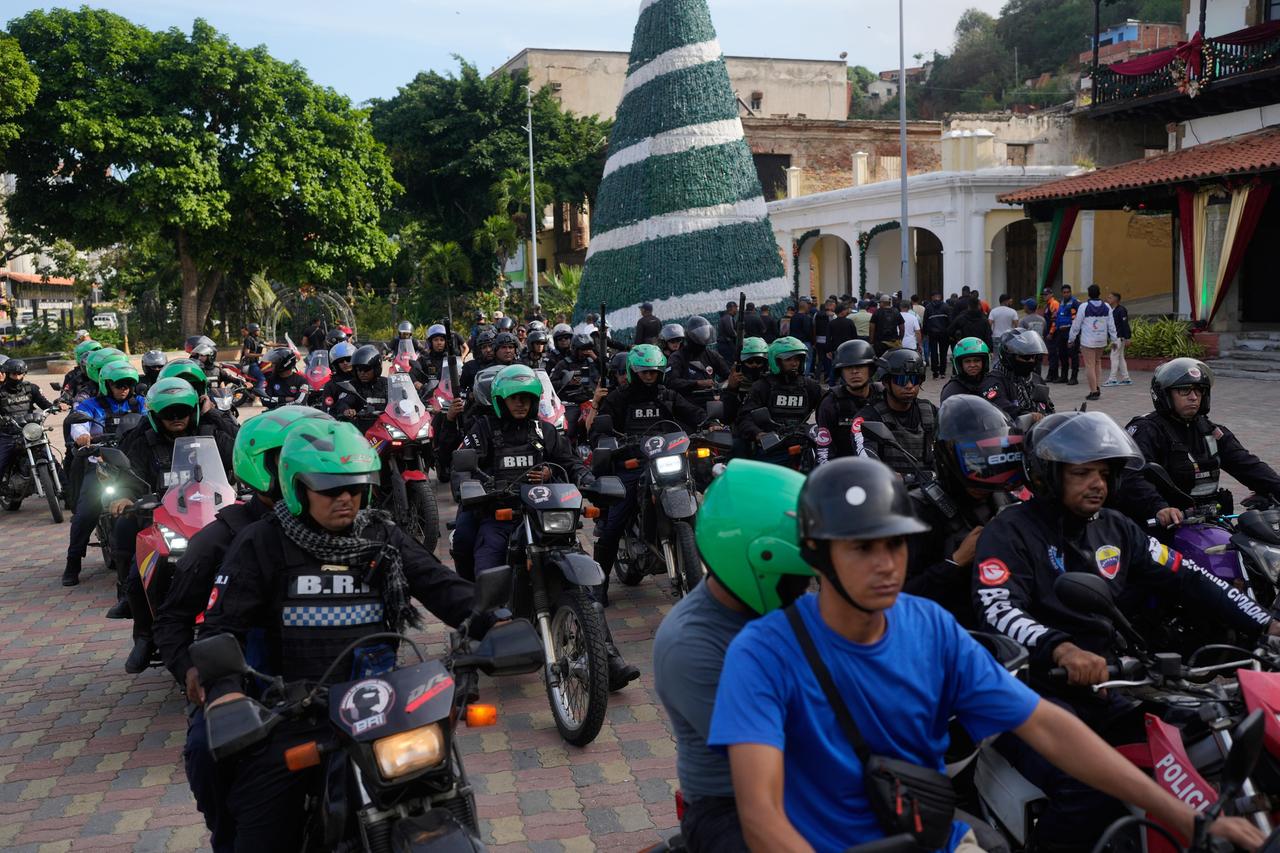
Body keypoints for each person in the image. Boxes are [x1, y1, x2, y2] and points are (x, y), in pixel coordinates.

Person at [708, 455, 1263, 853]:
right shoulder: (762, 654)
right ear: (816, 556)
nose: (885, 564)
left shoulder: (929, 628)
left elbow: (1047, 727)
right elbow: (761, 815)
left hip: (934, 837)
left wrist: (1189, 819)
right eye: (860, 548)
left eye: (895, 543)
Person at [972, 411, 1277, 847]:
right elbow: (997, 609)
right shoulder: (1010, 532)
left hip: (1108, 687)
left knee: (1205, 737)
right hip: (1029, 696)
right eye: (1081, 473)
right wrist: (1062, 650)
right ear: (1047, 474)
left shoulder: (1116, 528)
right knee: (1088, 789)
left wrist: (1266, 624)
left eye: (1104, 473)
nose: (1097, 483)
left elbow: (1189, 575)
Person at [196, 418, 490, 850]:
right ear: (297, 488)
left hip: (383, 706)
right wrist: (224, 689)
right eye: (330, 489)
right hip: (296, 711)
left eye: (354, 488)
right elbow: (221, 626)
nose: (346, 499)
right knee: (262, 831)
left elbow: (439, 585)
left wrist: (494, 620)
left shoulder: (380, 535)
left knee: (443, 788)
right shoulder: (263, 542)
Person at [154, 405, 331, 852]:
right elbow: (173, 620)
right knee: (205, 751)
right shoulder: (218, 538)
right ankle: (227, 835)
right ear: (260, 465)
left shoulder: (341, 526)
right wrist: (192, 674)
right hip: (248, 686)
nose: (304, 468)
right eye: (288, 459)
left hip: (332, 680)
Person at [653, 460, 813, 853]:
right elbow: (788, 747)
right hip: (731, 807)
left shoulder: (780, 609)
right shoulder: (690, 645)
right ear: (757, 562)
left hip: (807, 778)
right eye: (796, 577)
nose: (806, 590)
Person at [451, 364, 640, 690]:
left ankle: (606, 656)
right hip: (501, 517)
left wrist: (583, 480)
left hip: (544, 518)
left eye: (526, 397)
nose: (521, 403)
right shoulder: (482, 428)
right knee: (487, 571)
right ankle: (475, 640)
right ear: (500, 400)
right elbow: (463, 469)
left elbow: (569, 463)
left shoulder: (545, 431)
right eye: (514, 398)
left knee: (585, 579)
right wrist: (475, 487)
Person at [116, 378, 235, 672]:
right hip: (165, 521)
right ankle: (145, 636)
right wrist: (124, 497)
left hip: (215, 518)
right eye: (168, 413)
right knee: (136, 575)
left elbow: (244, 457)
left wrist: (214, 415)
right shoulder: (143, 443)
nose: (176, 417)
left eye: (182, 410)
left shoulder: (212, 434)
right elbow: (130, 478)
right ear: (156, 416)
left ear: (193, 410)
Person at [592, 346, 705, 603]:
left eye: (654, 372)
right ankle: (599, 583)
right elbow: (600, 430)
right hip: (634, 463)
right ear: (633, 372)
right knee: (614, 523)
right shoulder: (619, 398)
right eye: (644, 372)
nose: (649, 376)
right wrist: (606, 441)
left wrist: (709, 422)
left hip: (666, 460)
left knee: (699, 491)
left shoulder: (667, 395)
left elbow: (693, 412)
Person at [906, 395, 1025, 625]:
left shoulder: (1004, 500)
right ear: (947, 458)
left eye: (993, 459)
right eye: (974, 462)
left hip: (1005, 625)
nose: (985, 474)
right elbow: (898, 599)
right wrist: (955, 562)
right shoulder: (918, 511)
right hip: (945, 633)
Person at [1118, 359, 1280, 527]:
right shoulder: (1146, 430)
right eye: (1184, 390)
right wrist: (1159, 508)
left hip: (1207, 523)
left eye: (1198, 390)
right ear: (1164, 394)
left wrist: (1276, 486)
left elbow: (1247, 465)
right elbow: (1130, 477)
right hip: (1162, 526)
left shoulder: (1210, 431)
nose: (1194, 397)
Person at [64, 361, 147, 588]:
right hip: (101, 465)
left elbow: (152, 417)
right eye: (119, 385)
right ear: (106, 384)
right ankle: (73, 561)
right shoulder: (91, 405)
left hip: (134, 464)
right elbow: (78, 421)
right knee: (86, 511)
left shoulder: (139, 403)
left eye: (128, 385)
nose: (124, 389)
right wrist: (82, 436)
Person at [733, 337, 823, 465]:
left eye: (797, 359)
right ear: (776, 361)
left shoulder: (811, 386)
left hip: (804, 444)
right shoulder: (762, 386)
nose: (794, 363)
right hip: (773, 447)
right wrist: (759, 434)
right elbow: (745, 417)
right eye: (788, 359)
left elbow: (827, 409)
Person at [854, 349, 937, 479]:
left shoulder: (929, 410)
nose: (909, 386)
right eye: (901, 380)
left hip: (931, 487)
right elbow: (866, 458)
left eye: (914, 380)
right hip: (889, 491)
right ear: (886, 382)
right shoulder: (868, 418)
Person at [814, 340, 881, 465]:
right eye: (848, 367)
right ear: (841, 372)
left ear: (870, 369)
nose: (854, 372)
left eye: (860, 366)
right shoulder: (831, 403)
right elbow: (824, 452)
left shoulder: (883, 396)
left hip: (881, 472)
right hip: (844, 471)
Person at [978, 329, 1054, 422]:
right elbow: (1000, 405)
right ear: (1009, 356)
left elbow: (1049, 407)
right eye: (1025, 357)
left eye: (1034, 356)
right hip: (1011, 432)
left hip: (1040, 429)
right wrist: (1026, 414)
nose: (1031, 361)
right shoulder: (993, 380)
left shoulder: (1034, 379)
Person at [1068, 284, 1117, 401]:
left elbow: (1076, 325)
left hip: (1088, 341)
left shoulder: (1083, 306)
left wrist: (1071, 339)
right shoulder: (1107, 307)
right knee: (1097, 363)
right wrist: (1114, 340)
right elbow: (1111, 325)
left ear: (1089, 294)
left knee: (1090, 365)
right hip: (1101, 340)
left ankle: (1093, 391)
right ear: (1099, 293)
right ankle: (1097, 387)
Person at [667, 316, 729, 406]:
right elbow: (671, 382)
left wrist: (720, 386)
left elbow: (727, 375)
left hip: (711, 402)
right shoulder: (677, 357)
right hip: (686, 403)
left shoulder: (712, 355)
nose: (701, 346)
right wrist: (697, 383)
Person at [550, 332, 601, 442]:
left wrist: (596, 358)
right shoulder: (564, 364)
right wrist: (567, 382)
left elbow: (608, 373)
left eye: (588, 349)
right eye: (582, 349)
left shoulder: (593, 362)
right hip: (571, 404)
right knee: (569, 429)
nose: (585, 352)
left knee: (601, 425)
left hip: (591, 402)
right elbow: (552, 383)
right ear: (574, 349)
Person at [332, 345, 388, 424]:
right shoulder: (353, 386)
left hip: (385, 425)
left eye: (366, 369)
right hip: (361, 426)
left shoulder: (386, 383)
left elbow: (399, 400)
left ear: (376, 368)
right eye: (359, 369)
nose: (362, 373)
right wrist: (346, 410)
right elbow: (344, 401)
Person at [939, 337, 990, 402]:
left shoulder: (992, 382)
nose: (972, 365)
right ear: (960, 364)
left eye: (977, 360)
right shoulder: (952, 390)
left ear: (984, 362)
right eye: (967, 361)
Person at [1049, 283, 1080, 385]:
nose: (1066, 294)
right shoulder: (1061, 303)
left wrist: (1069, 326)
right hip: (1061, 333)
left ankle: (1074, 377)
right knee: (1062, 355)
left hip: (1071, 333)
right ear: (1062, 293)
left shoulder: (1075, 302)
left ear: (1070, 292)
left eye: (1068, 292)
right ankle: (1064, 376)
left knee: (1073, 355)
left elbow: (1078, 318)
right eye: (1064, 292)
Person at [1103, 291, 1132, 387]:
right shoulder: (1113, 310)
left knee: (1114, 356)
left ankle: (1112, 379)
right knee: (1120, 357)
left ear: (1116, 299)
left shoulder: (1121, 310)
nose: (1108, 299)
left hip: (1118, 338)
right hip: (1117, 338)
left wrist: (1127, 337)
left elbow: (1125, 324)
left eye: (1110, 297)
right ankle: (1126, 378)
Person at [824, 303, 856, 384]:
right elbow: (854, 336)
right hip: (848, 348)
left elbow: (828, 338)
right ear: (842, 312)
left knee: (834, 367)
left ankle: (831, 384)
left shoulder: (832, 323)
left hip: (836, 348)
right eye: (845, 310)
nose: (846, 311)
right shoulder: (849, 322)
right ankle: (844, 382)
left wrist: (828, 350)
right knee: (847, 366)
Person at [319, 340, 356, 410]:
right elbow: (327, 409)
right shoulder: (332, 385)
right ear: (336, 364)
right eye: (341, 361)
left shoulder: (362, 380)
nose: (345, 363)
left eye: (348, 359)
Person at [923, 292, 951, 379]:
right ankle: (942, 372)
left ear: (932, 297)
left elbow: (925, 321)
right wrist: (949, 332)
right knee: (943, 353)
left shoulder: (928, 307)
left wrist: (925, 332)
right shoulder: (946, 306)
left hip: (932, 333)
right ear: (940, 297)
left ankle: (935, 372)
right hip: (944, 333)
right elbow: (950, 320)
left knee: (934, 353)